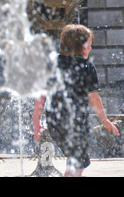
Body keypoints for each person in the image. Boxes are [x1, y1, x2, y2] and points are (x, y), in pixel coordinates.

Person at [33, 24, 119, 177]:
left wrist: (36, 120)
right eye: (89, 46)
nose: (90, 49)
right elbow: (94, 98)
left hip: (55, 122)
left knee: (75, 159)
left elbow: (41, 94)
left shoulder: (52, 63)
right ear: (82, 47)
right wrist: (104, 120)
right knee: (78, 161)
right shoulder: (87, 67)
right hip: (76, 124)